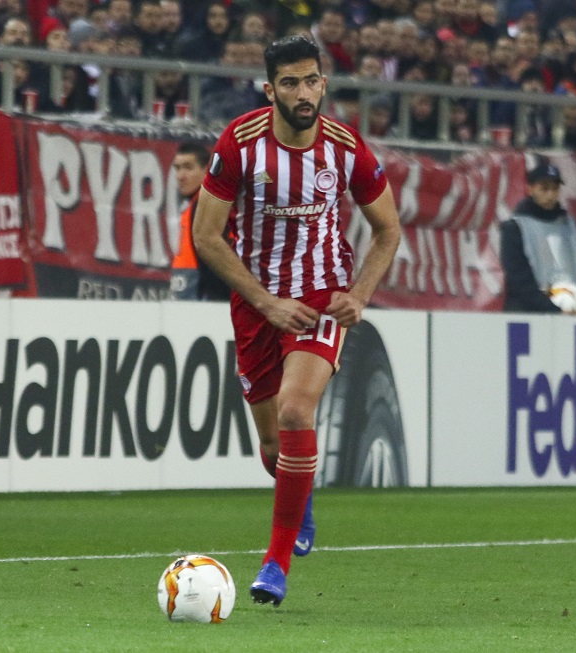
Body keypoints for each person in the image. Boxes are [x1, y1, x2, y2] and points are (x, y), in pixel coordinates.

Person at [192, 35, 401, 608]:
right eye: (290, 83)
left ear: (324, 83)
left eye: (311, 81)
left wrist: (359, 294)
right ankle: (300, 498)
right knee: (271, 444)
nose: (303, 93)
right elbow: (206, 236)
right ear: (270, 90)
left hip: (320, 297)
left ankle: (275, 563)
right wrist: (265, 303)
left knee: (294, 410)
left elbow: (388, 229)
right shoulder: (239, 143)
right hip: (258, 302)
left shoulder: (345, 147)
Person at [499, 157, 576, 315]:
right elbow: (519, 279)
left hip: (572, 313)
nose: (551, 194)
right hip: (528, 315)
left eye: (555, 189)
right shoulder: (515, 227)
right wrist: (554, 310)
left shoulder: (571, 227)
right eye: (544, 189)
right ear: (530, 189)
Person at [169, 142, 231, 301]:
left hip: (204, 301)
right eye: (177, 168)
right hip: (191, 296)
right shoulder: (194, 205)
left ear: (206, 171)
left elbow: (218, 257)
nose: (180, 176)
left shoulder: (209, 206)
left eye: (188, 168)